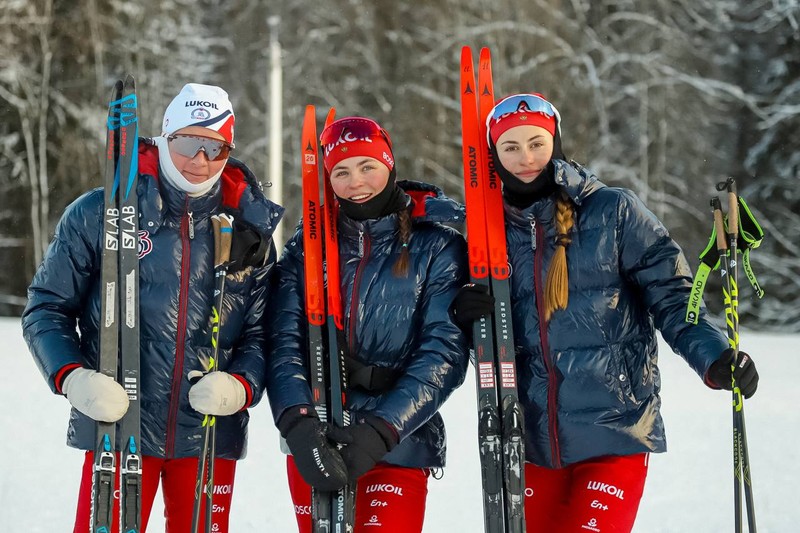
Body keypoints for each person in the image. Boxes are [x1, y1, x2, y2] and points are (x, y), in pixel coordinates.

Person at [450, 93, 759, 533]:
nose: (526, 158)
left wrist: (714, 356)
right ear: (494, 155)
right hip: (528, 440)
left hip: (616, 429)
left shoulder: (613, 211)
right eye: (511, 147)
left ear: (555, 142)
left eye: (536, 143)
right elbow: (477, 340)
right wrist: (463, 314)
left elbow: (673, 294)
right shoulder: (484, 234)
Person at [21, 83, 283, 533]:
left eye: (214, 148)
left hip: (207, 430)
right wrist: (71, 376)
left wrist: (241, 384)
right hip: (118, 425)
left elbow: (263, 333)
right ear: (164, 136)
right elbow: (46, 309)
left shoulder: (249, 233)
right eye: (187, 142)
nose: (199, 160)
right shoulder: (98, 212)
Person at [265, 116, 470, 532]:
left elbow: (442, 352)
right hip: (317, 438)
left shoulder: (438, 245)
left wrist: (382, 430)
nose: (355, 180)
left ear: (390, 164)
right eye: (341, 170)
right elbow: (283, 341)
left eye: (367, 166)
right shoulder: (307, 247)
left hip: (398, 441)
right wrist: (297, 422)